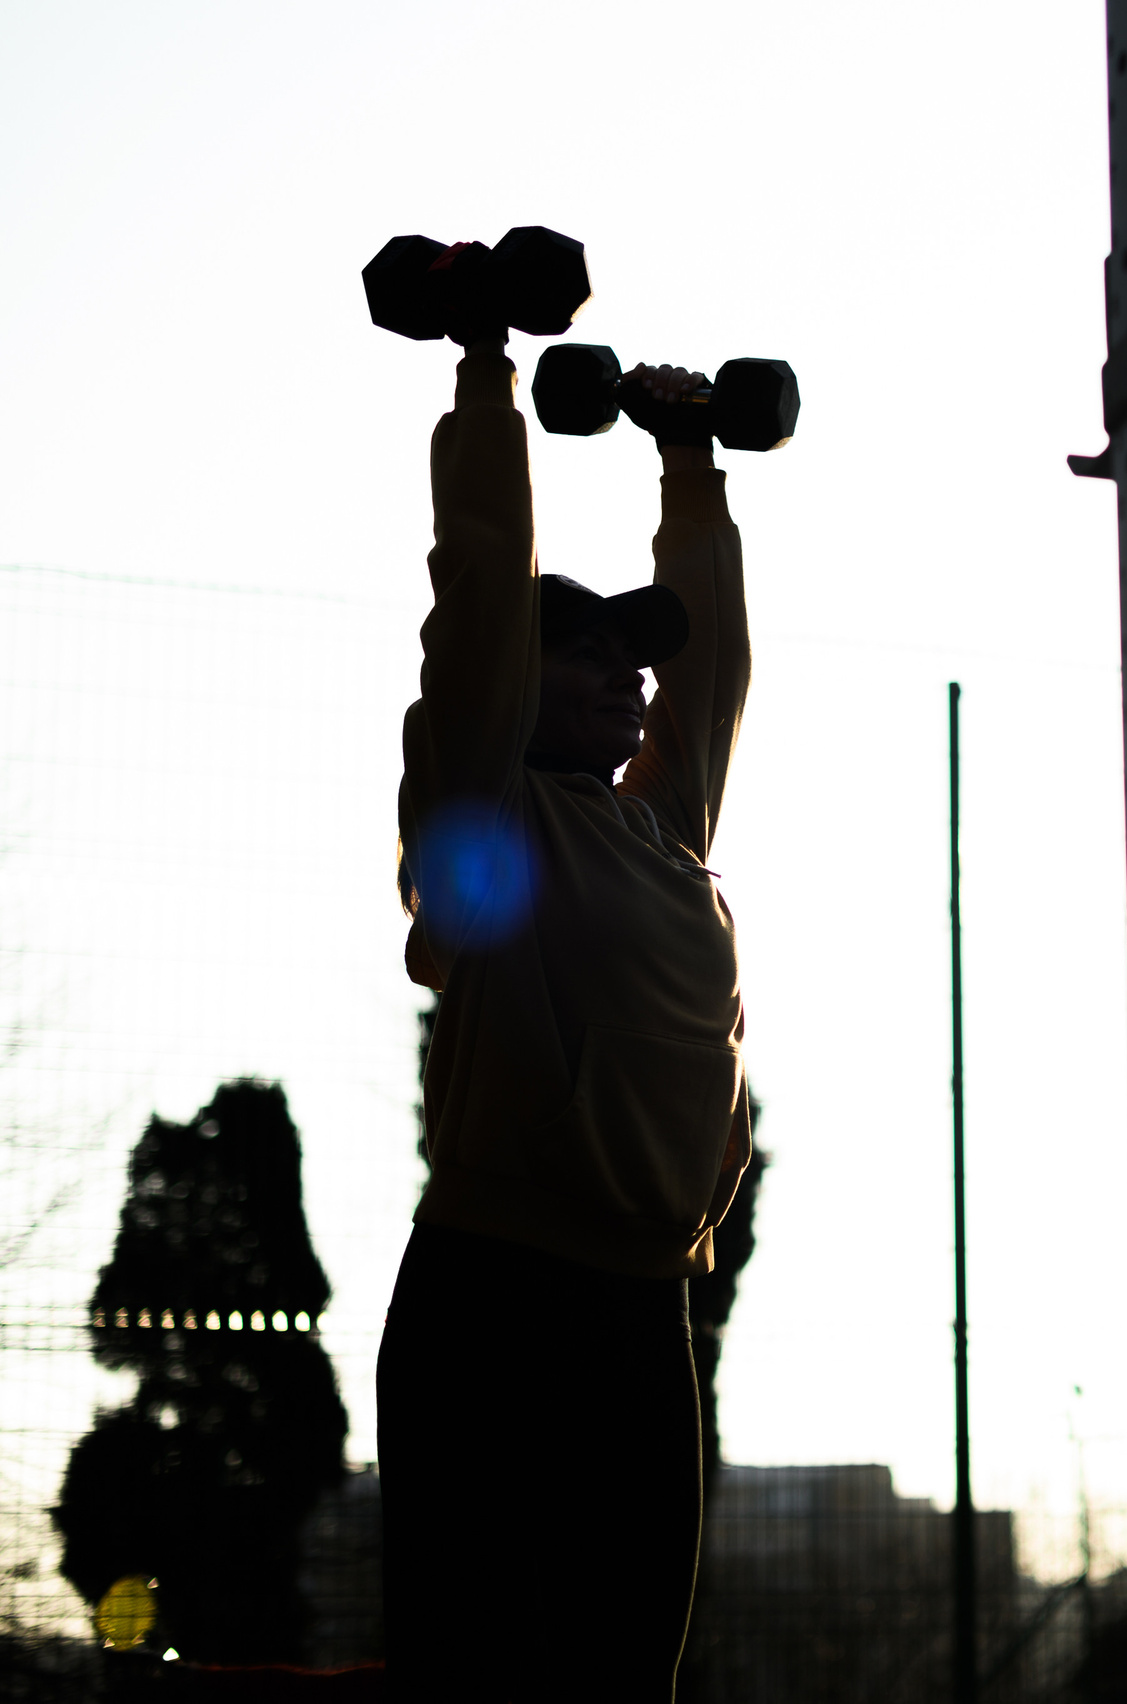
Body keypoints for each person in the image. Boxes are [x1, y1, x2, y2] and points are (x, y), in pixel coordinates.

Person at [381, 330, 755, 1700]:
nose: (629, 675)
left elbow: (707, 676)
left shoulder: (663, 830)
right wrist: (487, 373)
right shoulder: (488, 811)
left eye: (629, 659)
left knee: (622, 1677)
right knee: (478, 1671)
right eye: (585, 654)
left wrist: (691, 466)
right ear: (518, 685)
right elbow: (479, 602)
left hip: (643, 1311)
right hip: (497, 1294)